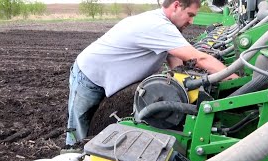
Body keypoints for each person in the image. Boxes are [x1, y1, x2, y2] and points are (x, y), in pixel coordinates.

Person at [65, 0, 239, 147]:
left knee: (96, 125)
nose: (192, 21)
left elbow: (174, 57)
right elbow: (200, 59)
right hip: (89, 76)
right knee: (78, 129)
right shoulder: (157, 25)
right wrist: (236, 79)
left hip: (108, 77)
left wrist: (180, 77)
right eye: (190, 15)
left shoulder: (164, 24)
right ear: (176, 5)